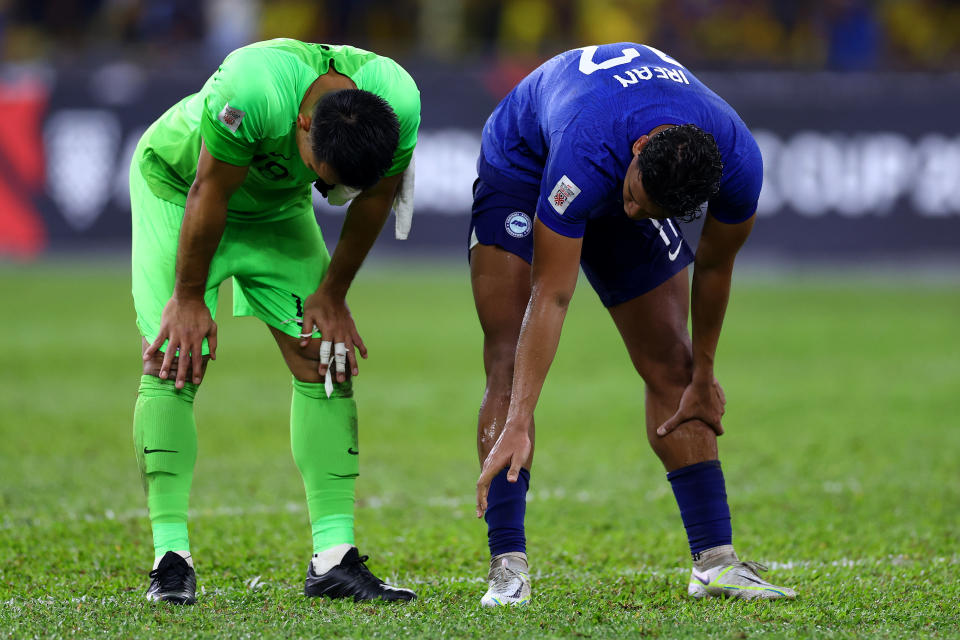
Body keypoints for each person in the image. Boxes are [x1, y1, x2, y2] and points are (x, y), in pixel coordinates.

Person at [470, 43, 796, 605]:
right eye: (636, 200)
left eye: (651, 213)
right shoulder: (588, 149)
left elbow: (715, 267)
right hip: (527, 161)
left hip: (621, 164)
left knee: (673, 361)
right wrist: (519, 419)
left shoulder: (738, 163)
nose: (631, 215)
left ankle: (715, 563)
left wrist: (704, 375)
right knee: (506, 354)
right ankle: (508, 563)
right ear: (641, 149)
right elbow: (551, 296)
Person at [130, 38, 420, 605]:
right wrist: (189, 298)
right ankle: (170, 557)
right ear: (305, 123)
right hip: (179, 190)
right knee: (174, 361)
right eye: (324, 174)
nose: (331, 190)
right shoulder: (253, 88)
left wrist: (332, 294)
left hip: (277, 208)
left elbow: (376, 197)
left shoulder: (398, 101)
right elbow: (208, 190)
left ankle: (333, 560)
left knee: (325, 358)